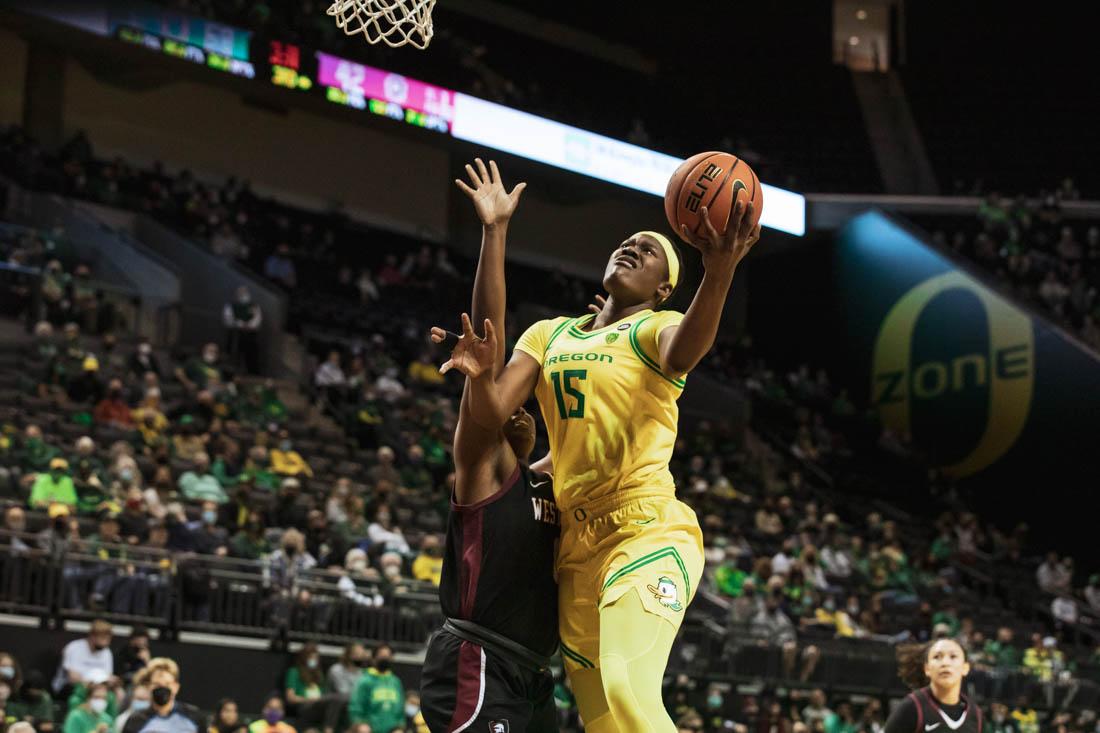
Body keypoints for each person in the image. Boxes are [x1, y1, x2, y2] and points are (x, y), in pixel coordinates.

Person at [435, 158, 760, 730]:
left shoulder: (653, 329)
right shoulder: (550, 334)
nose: (631, 248)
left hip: (645, 527)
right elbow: (488, 411)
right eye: (627, 241)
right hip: (576, 547)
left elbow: (687, 347)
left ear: (663, 290)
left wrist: (721, 270)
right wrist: (495, 232)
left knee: (629, 691)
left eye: (649, 249)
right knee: (605, 721)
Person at [419, 159, 560, 731]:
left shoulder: (551, 478)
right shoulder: (484, 464)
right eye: (510, 407)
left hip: (531, 674)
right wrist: (494, 232)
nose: (519, 413)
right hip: (478, 660)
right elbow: (488, 344)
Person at [884, 639, 982, 733]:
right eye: (937, 657)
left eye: (953, 656)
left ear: (965, 668)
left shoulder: (976, 715)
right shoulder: (912, 707)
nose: (945, 663)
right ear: (927, 668)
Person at [122, 657, 203, 733]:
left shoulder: (193, 717)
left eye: (167, 684)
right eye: (157, 684)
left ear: (176, 687)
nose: (162, 688)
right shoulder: (136, 720)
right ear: (149, 686)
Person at [284, 643, 343, 733]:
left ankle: (329, 728)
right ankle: (328, 730)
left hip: (319, 706)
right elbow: (291, 698)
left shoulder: (319, 675)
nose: (314, 660)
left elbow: (324, 695)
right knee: (334, 698)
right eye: (311, 658)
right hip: (304, 707)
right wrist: (309, 700)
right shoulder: (294, 672)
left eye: (316, 658)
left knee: (337, 699)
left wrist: (319, 700)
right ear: (304, 658)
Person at [348, 644, 404, 733]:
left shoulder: (395, 682)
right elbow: (356, 707)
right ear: (374, 658)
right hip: (369, 728)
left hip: (392, 729)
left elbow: (400, 710)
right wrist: (360, 724)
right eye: (382, 656)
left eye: (388, 656)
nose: (385, 659)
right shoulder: (365, 681)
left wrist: (399, 727)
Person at [53, 619, 115, 694]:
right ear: (92, 636)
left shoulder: (107, 652)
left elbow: (108, 676)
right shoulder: (74, 647)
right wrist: (92, 685)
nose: (106, 642)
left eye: (108, 639)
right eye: (103, 638)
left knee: (117, 692)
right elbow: (73, 678)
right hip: (68, 687)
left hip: (98, 687)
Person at [223, 286, 262, 374]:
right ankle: (232, 373)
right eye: (240, 292)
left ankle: (250, 374)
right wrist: (240, 324)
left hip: (250, 334)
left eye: (244, 292)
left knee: (251, 355)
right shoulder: (231, 305)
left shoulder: (254, 306)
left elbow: (257, 319)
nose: (242, 294)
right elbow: (227, 318)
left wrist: (249, 325)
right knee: (234, 354)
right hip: (235, 334)